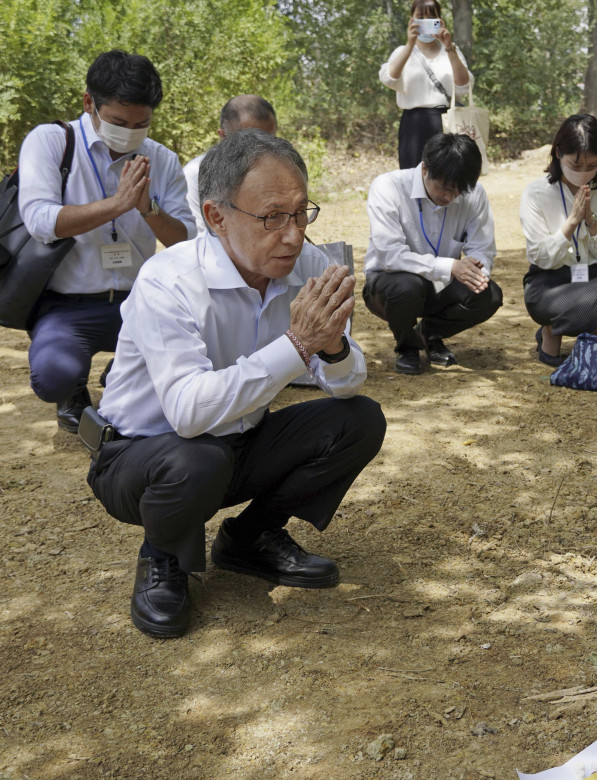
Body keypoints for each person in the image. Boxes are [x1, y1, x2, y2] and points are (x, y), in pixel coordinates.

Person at [87, 130, 385, 639]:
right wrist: (296, 345)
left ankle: (250, 538)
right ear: (216, 216)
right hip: (144, 460)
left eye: (300, 213)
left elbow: (348, 384)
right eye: (272, 217)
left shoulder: (306, 264)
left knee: (358, 420)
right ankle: (163, 555)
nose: (292, 235)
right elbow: (187, 413)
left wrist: (332, 346)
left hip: (237, 444)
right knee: (198, 456)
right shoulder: (169, 280)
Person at [18, 50, 195, 432]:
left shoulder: (161, 160)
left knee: (204, 352)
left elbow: (186, 239)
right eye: (118, 121)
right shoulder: (51, 141)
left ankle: (124, 370)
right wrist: (116, 205)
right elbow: (40, 220)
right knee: (53, 376)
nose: (130, 132)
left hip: (140, 299)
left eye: (141, 123)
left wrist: (148, 209)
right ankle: (73, 390)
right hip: (68, 304)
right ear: (89, 103)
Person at [363, 133, 500, 374]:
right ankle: (407, 347)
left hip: (442, 284)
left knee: (488, 295)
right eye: (445, 188)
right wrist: (451, 267)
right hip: (389, 284)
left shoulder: (474, 194)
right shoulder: (388, 186)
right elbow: (390, 255)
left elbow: (482, 248)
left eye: (458, 191)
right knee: (407, 286)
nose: (450, 197)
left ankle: (428, 333)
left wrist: (477, 271)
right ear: (425, 169)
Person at [519, 114, 597, 366]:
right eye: (575, 166)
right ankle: (551, 332)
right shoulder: (536, 192)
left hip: (592, 277)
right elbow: (539, 256)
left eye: (592, 165)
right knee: (579, 299)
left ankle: (582, 337)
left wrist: (592, 222)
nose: (583, 174)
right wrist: (571, 223)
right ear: (557, 155)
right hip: (549, 283)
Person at [380, 0, 473, 170]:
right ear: (411, 20)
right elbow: (390, 78)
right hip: (413, 125)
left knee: (447, 177)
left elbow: (464, 85)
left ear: (440, 20)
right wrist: (410, 44)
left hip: (447, 122)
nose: (426, 22)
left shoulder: (451, 51)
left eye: (431, 17)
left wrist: (449, 47)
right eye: (420, 17)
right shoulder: (402, 51)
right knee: (413, 177)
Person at [184, 95, 278, 235]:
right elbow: (197, 238)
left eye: (269, 140)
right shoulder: (195, 174)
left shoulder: (281, 169)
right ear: (223, 137)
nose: (261, 150)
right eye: (249, 142)